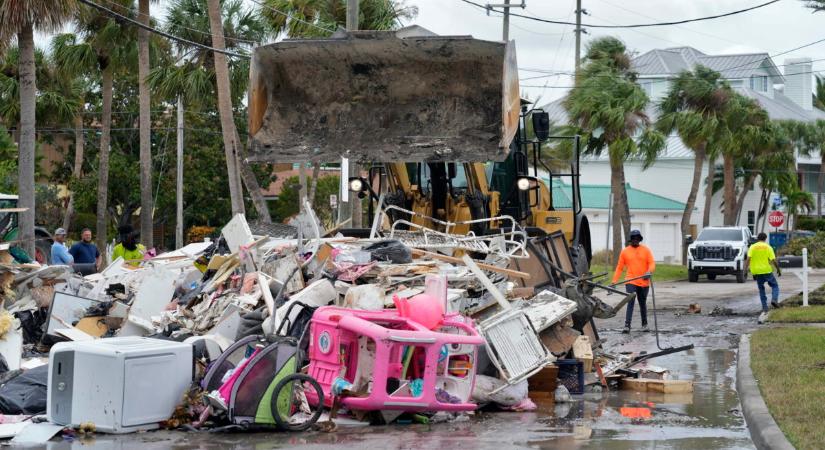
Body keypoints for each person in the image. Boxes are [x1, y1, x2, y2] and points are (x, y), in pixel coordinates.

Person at [612, 229, 656, 334]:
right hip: (631, 281)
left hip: (644, 282)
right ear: (630, 240)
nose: (635, 240)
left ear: (640, 239)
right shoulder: (625, 251)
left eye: (637, 238)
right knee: (630, 301)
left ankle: (644, 324)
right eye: (633, 238)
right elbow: (619, 267)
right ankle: (627, 325)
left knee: (642, 303)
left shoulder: (646, 250)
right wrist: (614, 281)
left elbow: (652, 263)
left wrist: (649, 271)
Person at [745, 232, 781, 318]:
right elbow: (773, 260)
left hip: (757, 272)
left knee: (761, 289)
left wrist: (745, 270)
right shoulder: (768, 247)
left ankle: (765, 308)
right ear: (765, 238)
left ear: (757, 238)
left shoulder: (752, 247)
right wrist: (778, 269)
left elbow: (748, 259)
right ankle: (774, 299)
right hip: (767, 270)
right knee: (775, 286)